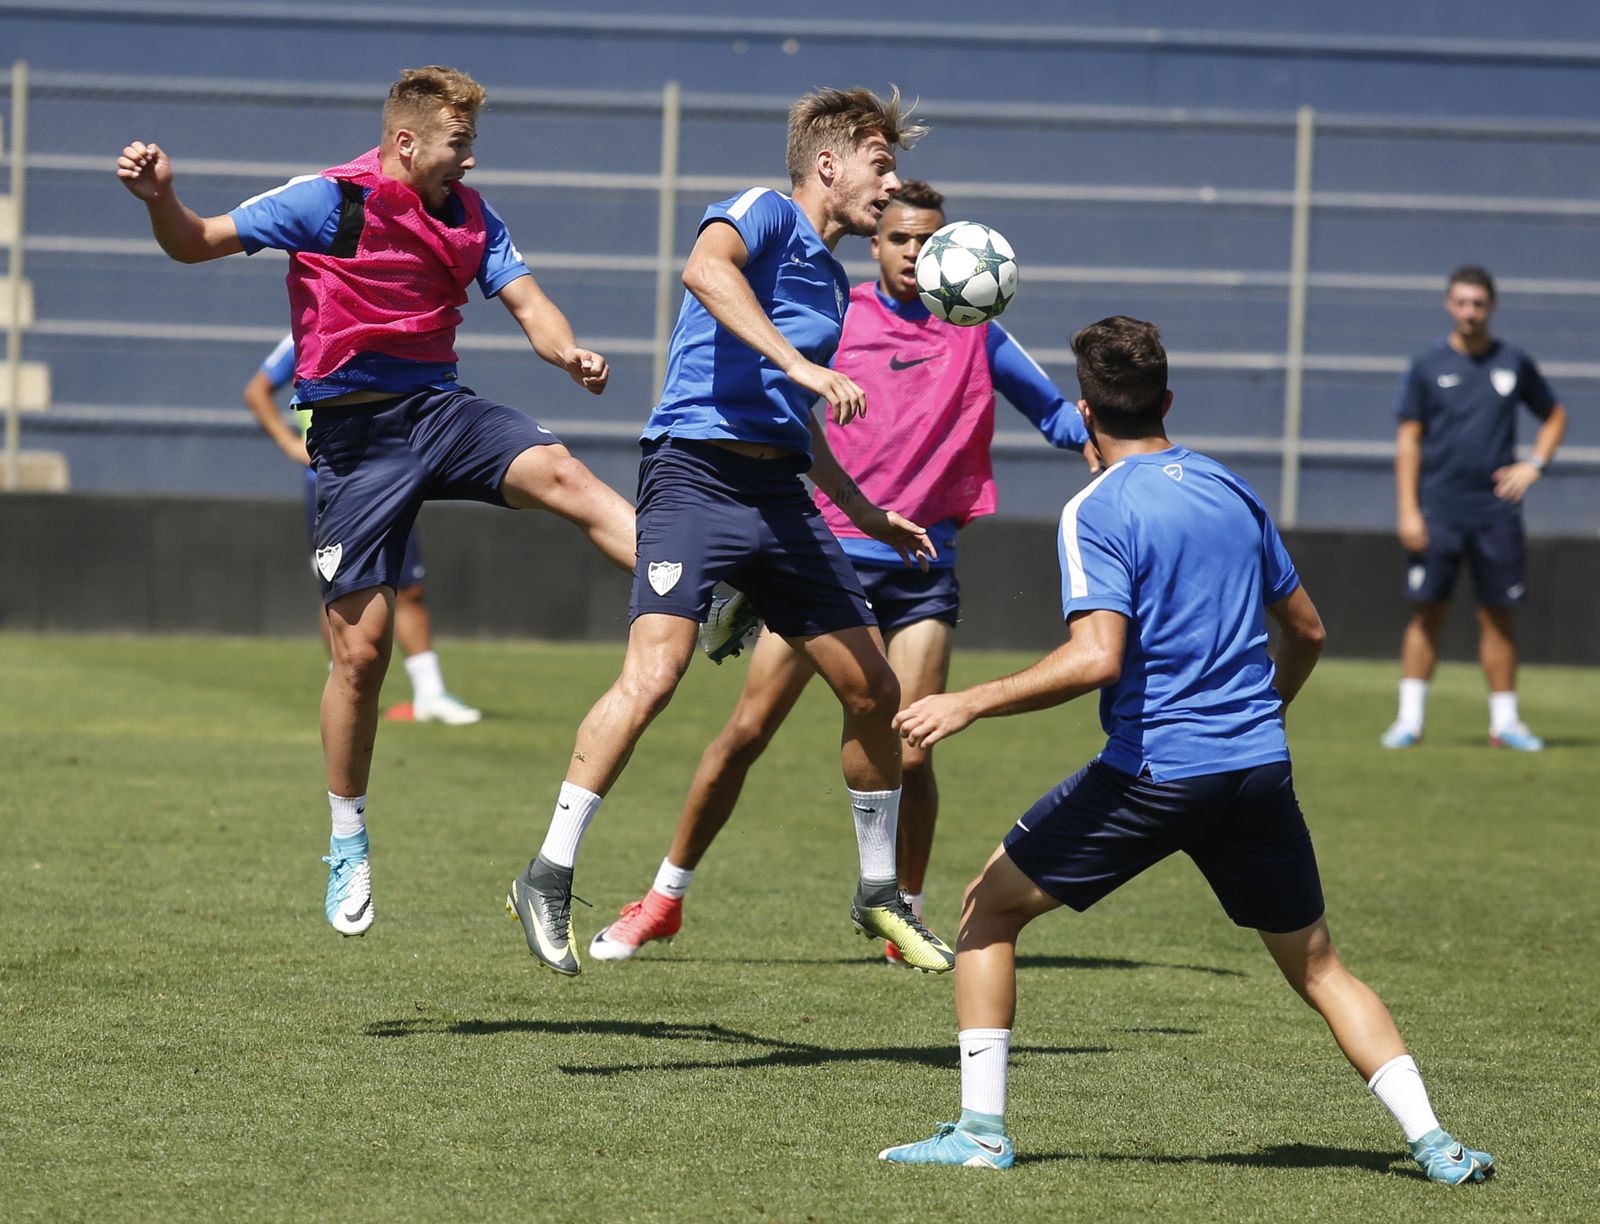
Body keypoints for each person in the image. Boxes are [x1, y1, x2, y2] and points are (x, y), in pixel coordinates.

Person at [876, 317, 1493, 1184]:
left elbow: (1098, 658)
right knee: (1318, 966)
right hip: (1256, 770)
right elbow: (1308, 631)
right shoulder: (1230, 488)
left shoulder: (1096, 508)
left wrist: (967, 701)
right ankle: (1436, 1143)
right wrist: (1257, 716)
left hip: (1155, 772)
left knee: (986, 911)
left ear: (1085, 412)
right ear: (1167, 401)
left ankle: (980, 1132)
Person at [119, 65, 636, 938]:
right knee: (362, 658)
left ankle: (697, 584)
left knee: (565, 476)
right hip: (354, 445)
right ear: (405, 142)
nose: (468, 161)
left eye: (472, 143)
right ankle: (348, 840)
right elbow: (197, 240)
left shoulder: (473, 216)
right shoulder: (329, 201)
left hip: (440, 410)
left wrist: (569, 353)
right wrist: (160, 199)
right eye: (456, 144)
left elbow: (528, 300)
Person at [505, 86, 957, 977]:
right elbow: (704, 272)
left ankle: (878, 897)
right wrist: (799, 363)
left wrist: (862, 510)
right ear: (829, 162)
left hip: (780, 493)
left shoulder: (833, 278)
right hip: (695, 473)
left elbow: (795, 411)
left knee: (873, 690)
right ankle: (548, 872)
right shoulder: (761, 211)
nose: (890, 185)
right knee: (658, 673)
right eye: (880, 164)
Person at [586, 180, 1097, 967]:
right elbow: (771, 383)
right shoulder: (836, 310)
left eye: (929, 242)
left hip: (923, 565)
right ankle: (662, 899)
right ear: (877, 243)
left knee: (913, 743)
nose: (915, 255)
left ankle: (905, 912)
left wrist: (1109, 446)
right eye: (900, 240)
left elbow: (1058, 415)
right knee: (746, 733)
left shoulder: (977, 329)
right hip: (819, 553)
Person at [244, 333, 482, 725]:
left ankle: (430, 693)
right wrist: (291, 445)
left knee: (408, 584)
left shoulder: (382, 325)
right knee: (340, 587)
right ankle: (341, 680)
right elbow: (258, 390)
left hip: (388, 473)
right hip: (334, 476)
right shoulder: (308, 333)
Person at [1381, 265, 1567, 752]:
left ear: (1491, 307)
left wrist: (1534, 464)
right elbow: (1408, 442)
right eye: (1461, 303)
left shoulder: (1513, 362)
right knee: (1428, 613)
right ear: (1449, 304)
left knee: (1498, 615)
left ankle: (1505, 722)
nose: (1469, 312)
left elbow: (1555, 414)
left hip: (1495, 513)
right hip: (1438, 510)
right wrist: (1408, 510)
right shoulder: (1426, 366)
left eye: (1478, 304)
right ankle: (1409, 721)